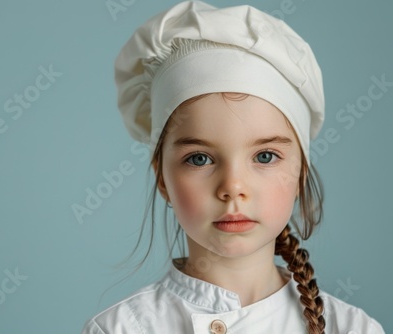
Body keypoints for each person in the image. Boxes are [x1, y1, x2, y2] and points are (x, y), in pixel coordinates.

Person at [82, 1, 385, 333]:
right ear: (163, 179)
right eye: (200, 158)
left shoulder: (354, 328)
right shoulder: (121, 328)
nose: (233, 186)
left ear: (299, 173)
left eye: (265, 156)